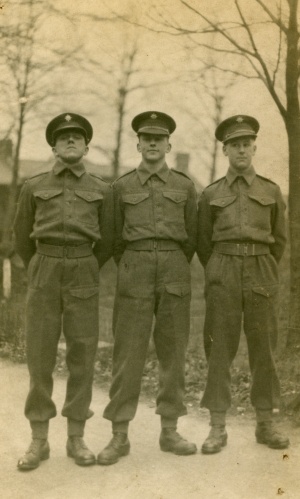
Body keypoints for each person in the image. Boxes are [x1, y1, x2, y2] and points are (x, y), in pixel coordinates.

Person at [14, 113, 114, 470]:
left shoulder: (103, 189)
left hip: (84, 269)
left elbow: (109, 240)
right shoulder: (32, 185)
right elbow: (21, 237)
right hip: (44, 267)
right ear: (53, 146)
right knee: (40, 355)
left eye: (77, 137)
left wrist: (82, 263)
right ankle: (39, 440)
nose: (70, 141)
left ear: (86, 145)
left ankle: (76, 438)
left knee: (82, 355)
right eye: (63, 137)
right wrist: (45, 264)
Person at [97, 111, 198, 465]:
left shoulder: (185, 187)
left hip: (174, 267)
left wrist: (168, 258)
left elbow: (192, 237)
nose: (153, 143)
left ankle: (170, 431)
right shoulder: (120, 187)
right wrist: (135, 261)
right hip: (134, 267)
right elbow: (111, 239)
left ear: (169, 144)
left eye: (160, 138)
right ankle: (119, 435)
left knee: (173, 352)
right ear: (138, 143)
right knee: (128, 353)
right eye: (146, 137)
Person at [197, 115, 289, 454]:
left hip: (261, 269)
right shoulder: (210, 194)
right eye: (234, 144)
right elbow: (203, 242)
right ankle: (217, 426)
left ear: (254, 147)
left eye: (246, 144)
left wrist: (259, 263)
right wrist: (223, 266)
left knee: (263, 348)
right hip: (222, 268)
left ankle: (266, 422)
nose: (241, 150)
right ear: (225, 150)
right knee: (219, 348)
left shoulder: (270, 190)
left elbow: (278, 240)